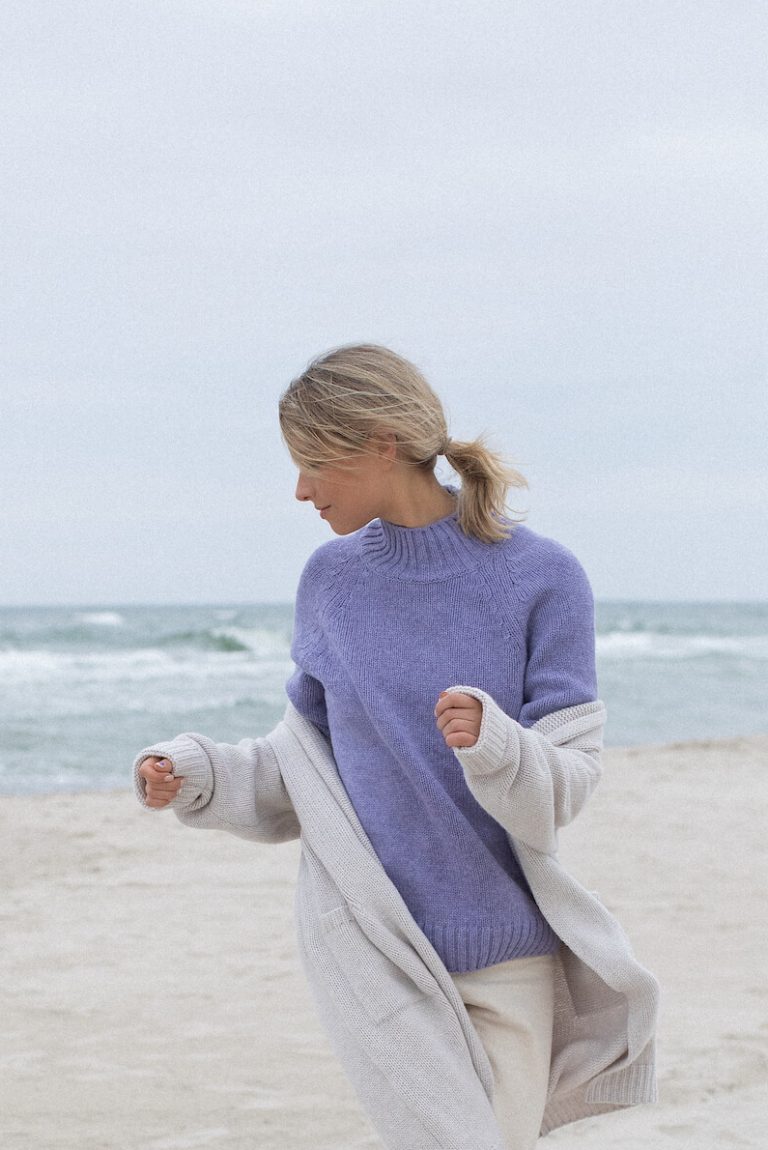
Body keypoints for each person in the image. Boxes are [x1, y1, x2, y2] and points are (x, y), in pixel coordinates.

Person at [135, 344, 658, 1150]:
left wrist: (495, 745)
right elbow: (306, 766)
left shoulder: (544, 578)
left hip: (508, 956)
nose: (301, 490)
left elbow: (569, 784)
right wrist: (199, 774)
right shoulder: (331, 583)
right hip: (377, 953)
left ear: (382, 444)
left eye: (313, 463)